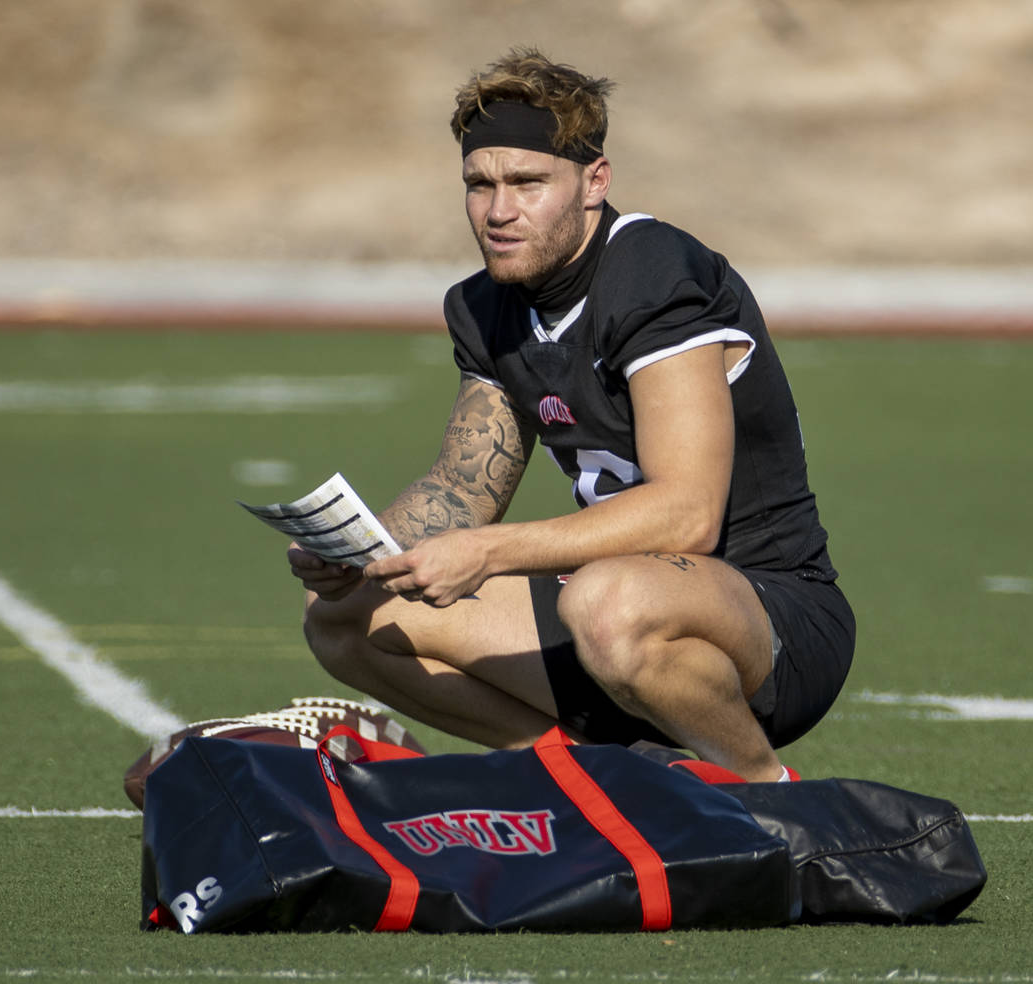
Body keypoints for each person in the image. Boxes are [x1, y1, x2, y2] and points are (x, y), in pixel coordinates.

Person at [289, 47, 854, 782]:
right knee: (345, 619)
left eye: (527, 182)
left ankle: (768, 796)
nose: (498, 210)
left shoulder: (655, 273)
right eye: (479, 184)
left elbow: (688, 516)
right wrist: (358, 551)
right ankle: (601, 782)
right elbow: (463, 490)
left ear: (595, 182)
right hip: (607, 613)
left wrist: (489, 553)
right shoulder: (485, 304)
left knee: (607, 599)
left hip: (771, 617)